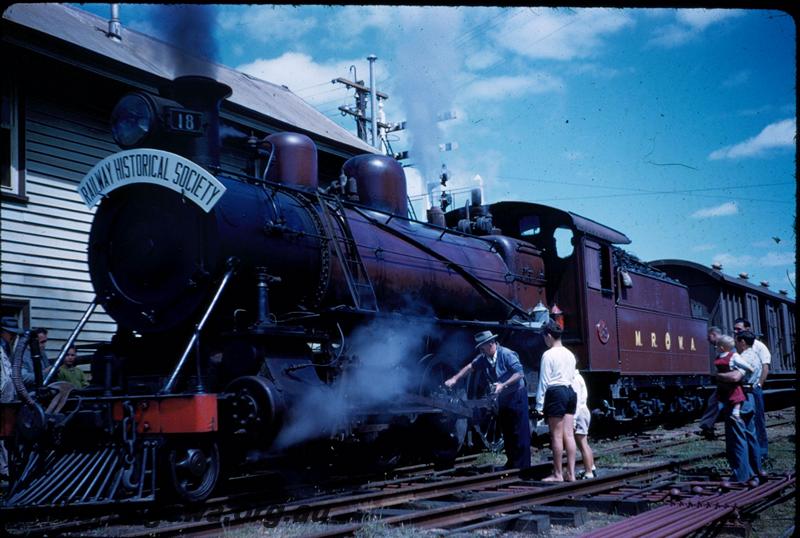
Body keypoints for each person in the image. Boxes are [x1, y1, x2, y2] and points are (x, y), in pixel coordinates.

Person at [445, 330, 531, 470]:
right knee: (507, 430)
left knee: (519, 431)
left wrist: (503, 385)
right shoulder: (483, 358)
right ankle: (512, 463)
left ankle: (524, 466)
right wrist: (455, 378)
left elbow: (519, 373)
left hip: (516, 395)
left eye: (482, 347)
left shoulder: (507, 354)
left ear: (491, 344)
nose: (480, 350)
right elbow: (470, 367)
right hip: (502, 397)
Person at [535, 320, 577, 482]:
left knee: (557, 436)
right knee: (569, 435)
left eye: (545, 337)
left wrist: (539, 405)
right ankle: (571, 474)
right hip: (570, 392)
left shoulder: (548, 354)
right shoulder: (570, 354)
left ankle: (558, 474)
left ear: (549, 336)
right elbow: (573, 378)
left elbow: (543, 381)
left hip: (556, 392)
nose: (544, 341)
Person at [717, 331, 762, 482]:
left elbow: (736, 376)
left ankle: (741, 476)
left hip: (740, 397)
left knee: (737, 438)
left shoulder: (744, 357)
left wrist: (718, 376)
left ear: (742, 342)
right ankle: (756, 472)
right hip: (750, 397)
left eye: (737, 341)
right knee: (750, 436)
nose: (735, 344)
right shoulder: (755, 355)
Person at [733, 318, 770, 465]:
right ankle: (749, 453)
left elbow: (765, 366)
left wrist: (760, 384)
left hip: (754, 387)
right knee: (746, 422)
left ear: (747, 328)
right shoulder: (738, 345)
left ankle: (762, 452)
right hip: (742, 387)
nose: (736, 331)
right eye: (735, 329)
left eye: (738, 329)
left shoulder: (759, 346)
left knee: (758, 420)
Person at [0, 317, 19, 481]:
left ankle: (6, 470)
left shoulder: (6, 348)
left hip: (7, 401)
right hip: (2, 400)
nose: (12, 337)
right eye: (10, 334)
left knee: (7, 436)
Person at [697, 326, 724, 439]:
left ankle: (707, 426)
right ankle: (707, 426)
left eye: (709, 338)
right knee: (714, 402)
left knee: (715, 402)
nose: (708, 341)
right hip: (725, 381)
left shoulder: (724, 344)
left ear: (713, 335)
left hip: (727, 382)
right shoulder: (720, 344)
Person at [714, 335, 746, 421]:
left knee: (728, 400)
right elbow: (741, 366)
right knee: (737, 398)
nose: (715, 347)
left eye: (717, 345)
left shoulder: (719, 357)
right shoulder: (734, 356)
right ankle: (735, 413)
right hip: (732, 384)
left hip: (723, 384)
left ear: (721, 347)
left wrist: (719, 374)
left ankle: (731, 412)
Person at [571, 370, 596, 479]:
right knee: (584, 443)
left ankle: (588, 472)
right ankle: (592, 467)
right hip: (582, 411)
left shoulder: (575, 379)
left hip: (579, 412)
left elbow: (576, 401)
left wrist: (574, 419)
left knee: (582, 443)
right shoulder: (578, 377)